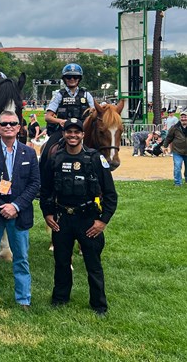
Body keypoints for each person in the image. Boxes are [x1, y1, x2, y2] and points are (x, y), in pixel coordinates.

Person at [40, 117, 118, 315]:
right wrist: (47, 213)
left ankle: (98, 304)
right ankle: (60, 297)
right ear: (64, 134)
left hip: (88, 218)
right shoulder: (55, 158)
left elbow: (110, 194)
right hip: (62, 218)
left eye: (77, 132)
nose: (72, 135)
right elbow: (46, 189)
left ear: (83, 135)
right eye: (69, 132)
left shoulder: (95, 159)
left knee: (93, 263)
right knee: (62, 261)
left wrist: (103, 220)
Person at [0, 111, 40, 309]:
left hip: (19, 214)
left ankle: (23, 299)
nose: (9, 127)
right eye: (4, 124)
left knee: (21, 258)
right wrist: (0, 206)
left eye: (13, 123)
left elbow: (35, 183)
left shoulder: (29, 153)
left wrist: (16, 206)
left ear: (19, 127)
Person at [44, 63, 95, 149]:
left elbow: (94, 113)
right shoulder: (59, 95)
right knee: (47, 148)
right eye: (69, 77)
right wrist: (60, 121)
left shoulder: (86, 95)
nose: (72, 79)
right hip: (64, 131)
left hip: (83, 130)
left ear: (79, 79)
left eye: (75, 77)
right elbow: (48, 117)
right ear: (64, 79)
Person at [163, 111, 187, 187]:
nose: (184, 119)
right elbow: (169, 137)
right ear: (180, 118)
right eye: (182, 117)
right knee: (177, 166)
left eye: (185, 117)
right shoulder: (175, 127)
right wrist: (165, 146)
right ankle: (178, 183)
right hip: (177, 151)